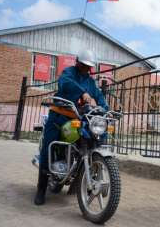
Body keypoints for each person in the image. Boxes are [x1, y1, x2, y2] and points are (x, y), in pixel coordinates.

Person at [34, 50, 109, 205]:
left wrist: (105, 110)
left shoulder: (90, 82)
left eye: (88, 67)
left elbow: (99, 97)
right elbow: (65, 83)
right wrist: (82, 94)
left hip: (80, 118)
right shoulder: (68, 72)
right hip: (60, 116)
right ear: (77, 62)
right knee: (49, 145)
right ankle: (41, 189)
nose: (85, 68)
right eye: (83, 65)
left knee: (96, 138)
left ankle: (85, 176)